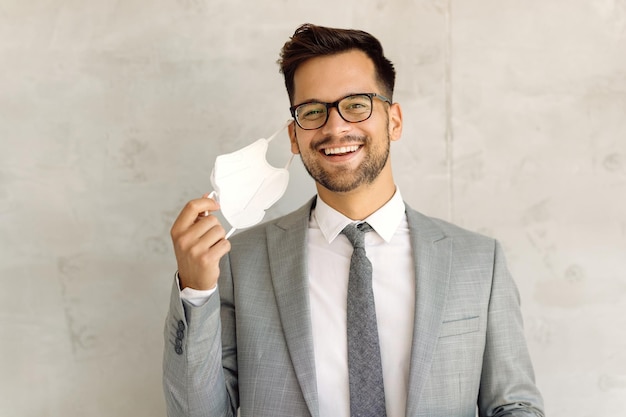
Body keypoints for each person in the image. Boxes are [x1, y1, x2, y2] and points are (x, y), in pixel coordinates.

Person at [163, 23, 545, 417]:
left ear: (393, 121)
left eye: (357, 104)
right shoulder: (239, 262)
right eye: (313, 111)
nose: (335, 127)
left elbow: (514, 405)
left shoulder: (479, 261)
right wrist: (195, 292)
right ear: (294, 136)